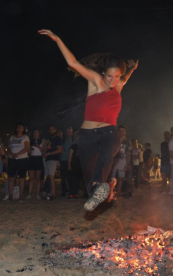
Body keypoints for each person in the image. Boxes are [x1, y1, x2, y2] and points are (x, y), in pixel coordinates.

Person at [40, 29, 138, 211]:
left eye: (117, 77)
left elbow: (126, 77)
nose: (113, 80)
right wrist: (58, 39)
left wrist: (131, 69)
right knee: (91, 184)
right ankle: (106, 189)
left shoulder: (119, 85)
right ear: (103, 73)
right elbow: (73, 62)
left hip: (109, 133)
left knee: (106, 154)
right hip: (86, 137)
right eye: (110, 76)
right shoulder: (95, 81)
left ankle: (106, 187)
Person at [7, 122, 30, 202]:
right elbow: (9, 147)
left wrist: (17, 154)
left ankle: (21, 195)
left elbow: (27, 148)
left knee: (22, 178)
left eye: (21, 127)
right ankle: (10, 195)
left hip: (22, 159)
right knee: (11, 178)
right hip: (12, 159)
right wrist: (11, 154)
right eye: (18, 127)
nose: (19, 129)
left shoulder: (25, 137)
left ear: (23, 129)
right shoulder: (12, 137)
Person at [111, 125, 132, 197]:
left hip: (122, 161)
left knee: (120, 178)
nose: (121, 132)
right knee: (112, 177)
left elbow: (128, 154)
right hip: (113, 161)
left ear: (125, 132)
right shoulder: (114, 140)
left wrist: (127, 164)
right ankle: (111, 191)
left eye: (123, 131)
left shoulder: (127, 142)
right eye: (119, 131)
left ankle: (118, 192)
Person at [43, 125, 63, 200]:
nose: (51, 131)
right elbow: (46, 150)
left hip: (53, 159)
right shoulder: (49, 139)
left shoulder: (58, 139)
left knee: (51, 176)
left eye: (53, 129)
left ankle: (53, 194)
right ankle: (51, 193)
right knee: (49, 176)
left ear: (56, 130)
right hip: (48, 159)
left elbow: (60, 150)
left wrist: (49, 153)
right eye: (50, 129)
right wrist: (45, 147)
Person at [27, 129, 45, 200]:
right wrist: (30, 151)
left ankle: (37, 194)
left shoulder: (42, 141)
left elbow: (43, 150)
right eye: (34, 132)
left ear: (39, 133)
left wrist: (39, 147)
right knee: (31, 178)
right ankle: (29, 193)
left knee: (38, 178)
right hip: (32, 158)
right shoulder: (30, 141)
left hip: (38, 158)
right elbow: (28, 152)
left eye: (37, 132)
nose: (36, 133)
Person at [60, 127, 75, 197]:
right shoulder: (63, 140)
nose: (68, 133)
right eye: (67, 132)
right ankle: (63, 191)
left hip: (71, 160)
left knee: (70, 177)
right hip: (63, 160)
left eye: (70, 132)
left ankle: (71, 191)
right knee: (63, 177)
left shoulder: (73, 140)